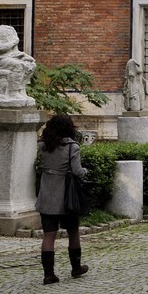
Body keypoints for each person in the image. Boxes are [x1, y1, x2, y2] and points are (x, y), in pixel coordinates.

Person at [35, 113, 88, 284]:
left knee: (49, 235)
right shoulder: (72, 147)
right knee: (73, 232)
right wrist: (86, 172)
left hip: (47, 194)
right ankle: (76, 268)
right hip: (67, 197)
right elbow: (78, 172)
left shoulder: (42, 145)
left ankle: (48, 274)